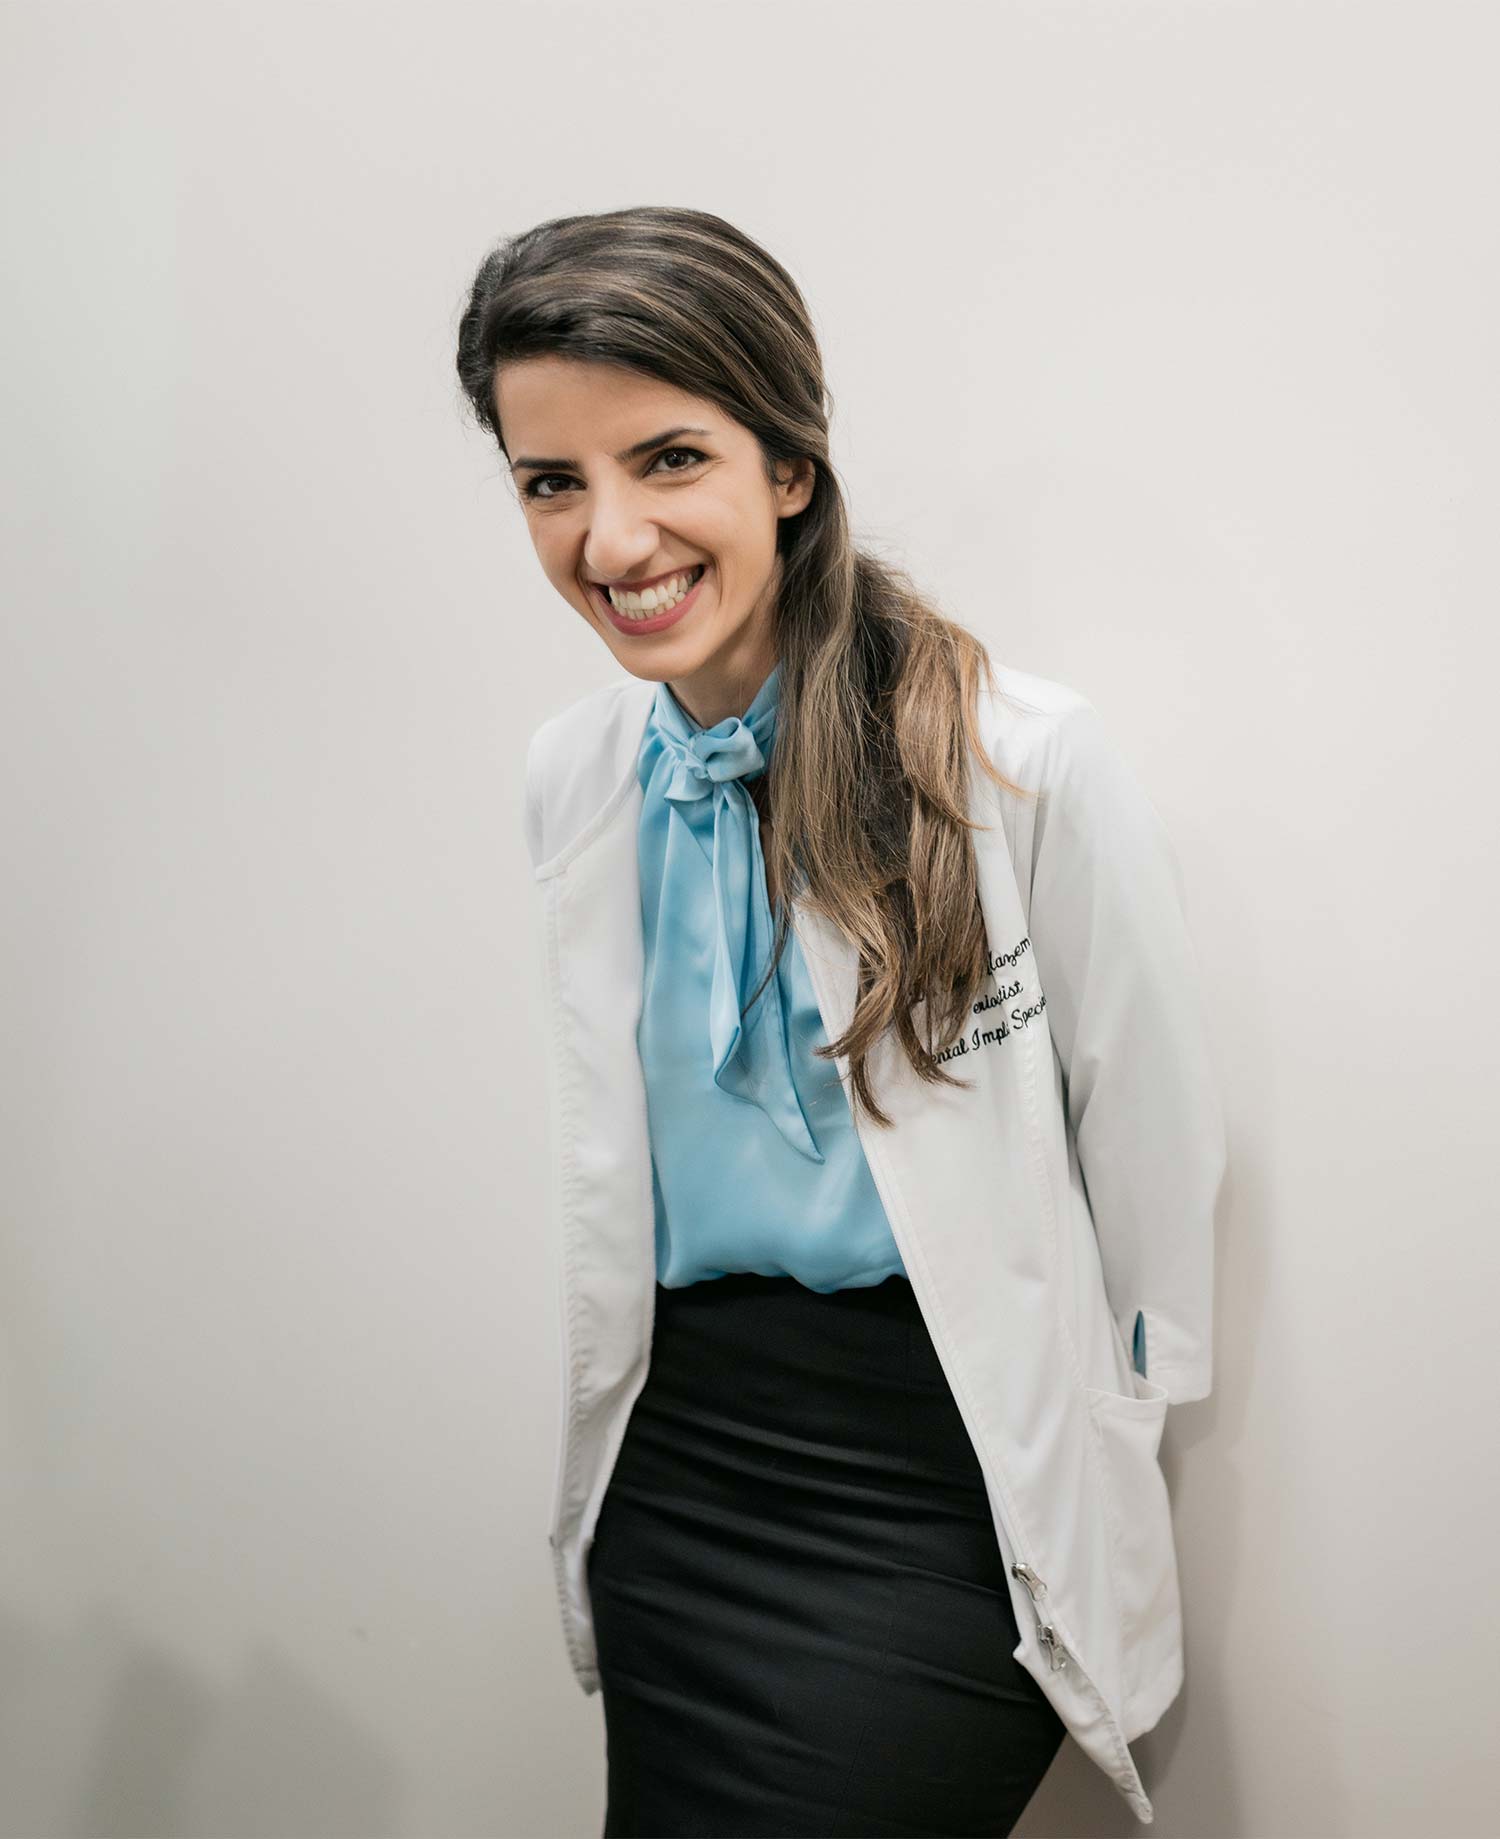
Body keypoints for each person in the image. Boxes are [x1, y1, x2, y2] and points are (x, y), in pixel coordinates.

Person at [455, 206, 1227, 1836]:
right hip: (688, 1468)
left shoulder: (1018, 762)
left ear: (787, 466)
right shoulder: (573, 781)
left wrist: (1122, 1426)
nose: (611, 540)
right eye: (552, 482)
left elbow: (1153, 1140)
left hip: (946, 1491)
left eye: (669, 458)